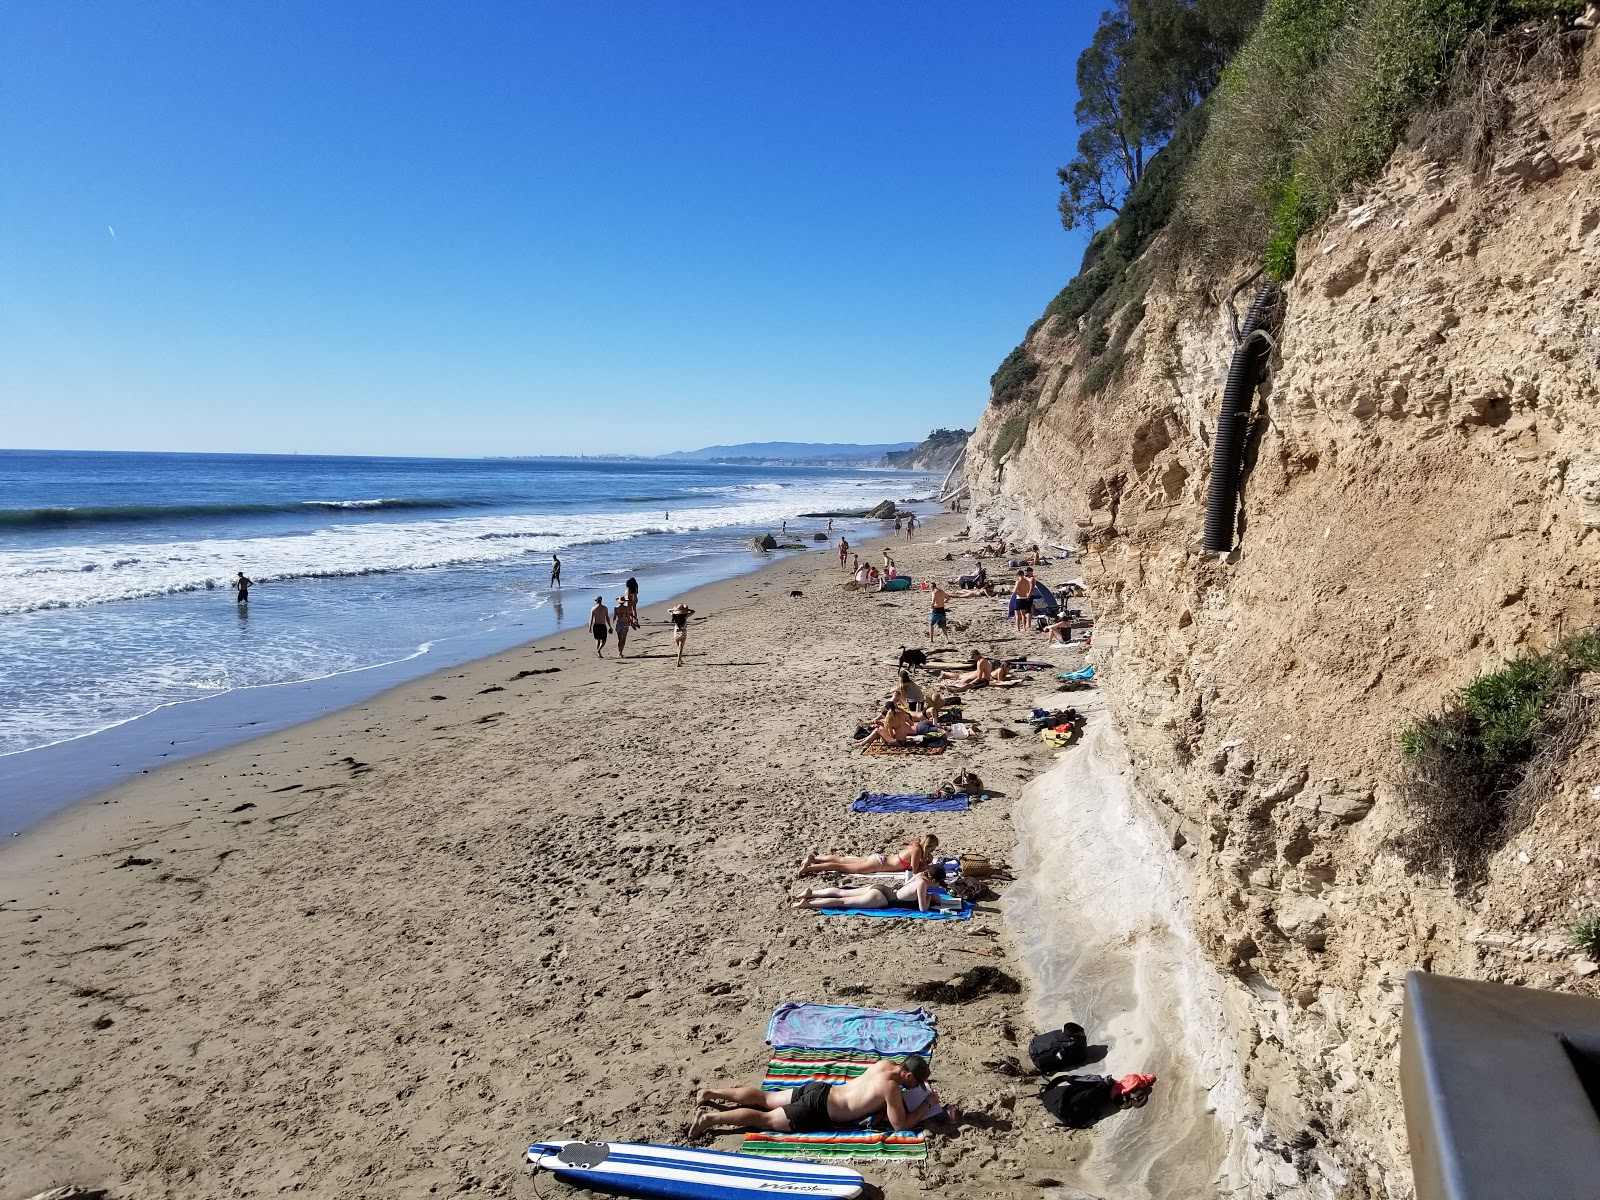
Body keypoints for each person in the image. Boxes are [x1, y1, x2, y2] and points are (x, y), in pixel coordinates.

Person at [689, 1056, 951, 1138]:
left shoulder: (885, 1064)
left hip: (821, 1088)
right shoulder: (892, 1088)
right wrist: (927, 1104)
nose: (915, 1086)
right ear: (907, 1076)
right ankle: (710, 1118)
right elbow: (900, 1125)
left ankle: (710, 1093)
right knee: (766, 1120)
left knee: (766, 1097)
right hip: (820, 1108)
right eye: (916, 1082)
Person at [790, 864, 948, 912]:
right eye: (938, 883)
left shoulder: (920, 876)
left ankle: (812, 892)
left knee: (842, 892)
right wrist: (928, 897)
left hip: (884, 888)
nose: (938, 886)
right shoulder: (922, 885)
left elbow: (933, 897)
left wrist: (933, 895)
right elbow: (922, 909)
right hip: (883, 898)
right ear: (933, 880)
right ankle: (808, 904)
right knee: (844, 901)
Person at [796, 834, 939, 878]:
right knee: (843, 867)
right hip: (880, 865)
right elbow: (913, 870)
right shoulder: (917, 851)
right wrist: (927, 865)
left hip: (879, 858)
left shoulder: (915, 845)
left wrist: (926, 858)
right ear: (929, 847)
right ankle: (808, 868)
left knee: (842, 860)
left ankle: (814, 858)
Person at [669, 603, 694, 667]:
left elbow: (668, 610)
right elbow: (693, 611)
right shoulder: (685, 616)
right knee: (681, 648)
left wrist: (674, 610)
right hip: (683, 632)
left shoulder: (674, 615)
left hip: (676, 632)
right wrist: (687, 610)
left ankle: (680, 659)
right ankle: (678, 662)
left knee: (678, 648)